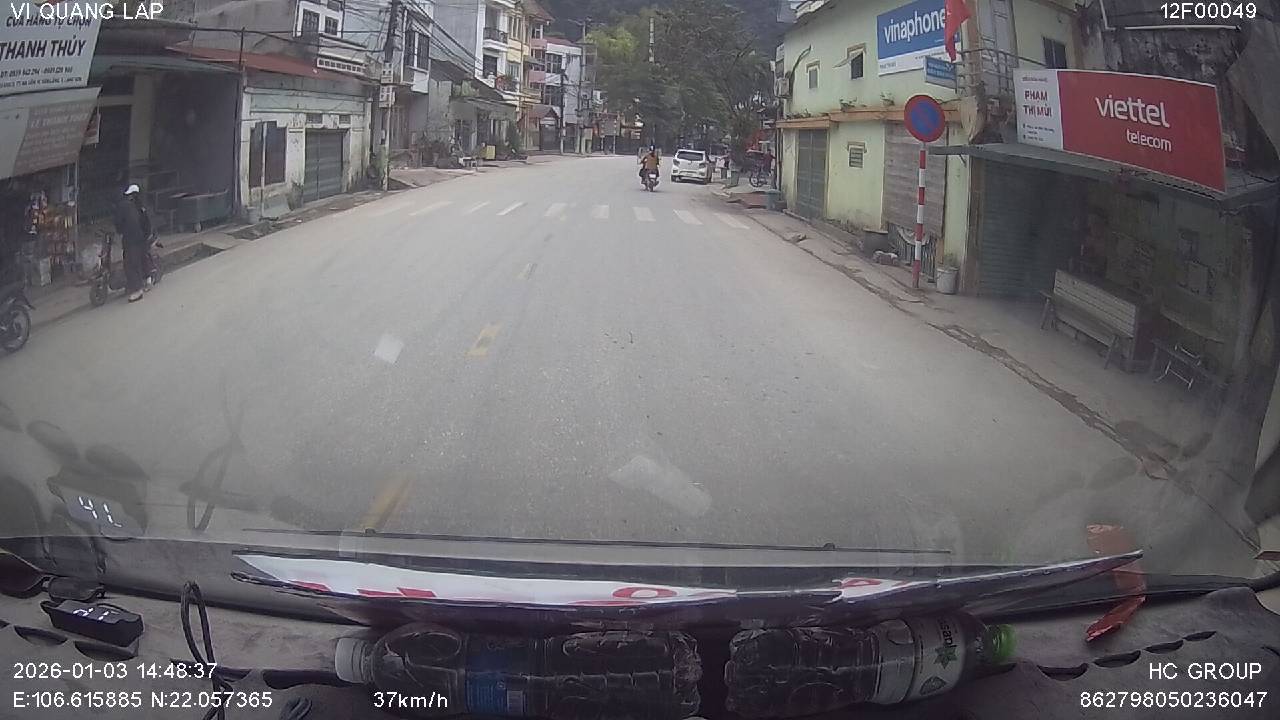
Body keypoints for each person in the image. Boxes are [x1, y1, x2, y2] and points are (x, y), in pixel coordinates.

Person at [112, 184, 152, 302]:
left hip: (132, 239)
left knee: (131, 264)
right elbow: (145, 222)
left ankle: (137, 290)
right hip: (141, 236)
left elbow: (119, 225)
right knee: (139, 260)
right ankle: (143, 281)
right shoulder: (137, 205)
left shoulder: (124, 206)